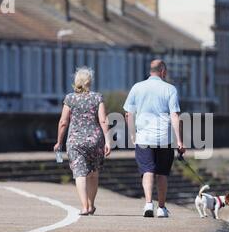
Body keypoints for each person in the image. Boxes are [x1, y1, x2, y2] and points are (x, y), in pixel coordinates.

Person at [123, 60, 185, 218]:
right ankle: (161, 208)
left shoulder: (137, 87)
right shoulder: (170, 89)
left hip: (143, 137)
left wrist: (132, 134)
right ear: (163, 71)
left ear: (150, 71)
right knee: (162, 173)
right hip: (164, 137)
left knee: (147, 170)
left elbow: (129, 113)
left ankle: (148, 203)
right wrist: (180, 141)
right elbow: (175, 115)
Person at [54, 67, 111, 216]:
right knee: (93, 174)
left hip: (75, 141)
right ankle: (91, 205)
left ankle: (84, 206)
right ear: (89, 82)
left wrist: (59, 141)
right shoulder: (97, 97)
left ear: (76, 82)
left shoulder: (70, 99)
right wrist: (108, 141)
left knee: (79, 174)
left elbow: (63, 122)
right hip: (95, 140)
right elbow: (103, 120)